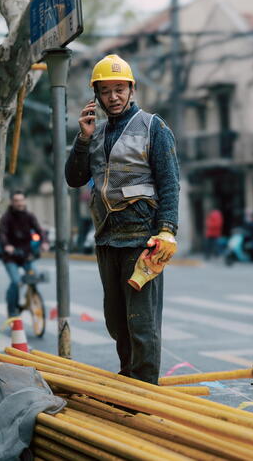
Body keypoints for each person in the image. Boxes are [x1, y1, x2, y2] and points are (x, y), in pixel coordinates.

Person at [65, 54, 180, 384]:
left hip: (143, 240)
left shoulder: (153, 127)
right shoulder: (96, 133)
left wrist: (167, 230)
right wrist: (83, 138)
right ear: (97, 96)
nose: (113, 97)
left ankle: (143, 393)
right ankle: (129, 379)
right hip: (106, 238)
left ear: (131, 89)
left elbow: (169, 182)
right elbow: (74, 178)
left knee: (141, 323)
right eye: (106, 91)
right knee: (116, 321)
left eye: (119, 89)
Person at [0, 191, 49, 319]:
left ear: (25, 201)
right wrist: (7, 246)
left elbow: (40, 230)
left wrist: (44, 242)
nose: (19, 203)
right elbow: (2, 234)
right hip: (11, 257)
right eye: (16, 200)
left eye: (21, 200)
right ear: (11, 202)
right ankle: (12, 309)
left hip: (26, 255)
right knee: (16, 282)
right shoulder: (6, 217)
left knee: (35, 277)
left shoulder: (29, 216)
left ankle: (31, 298)